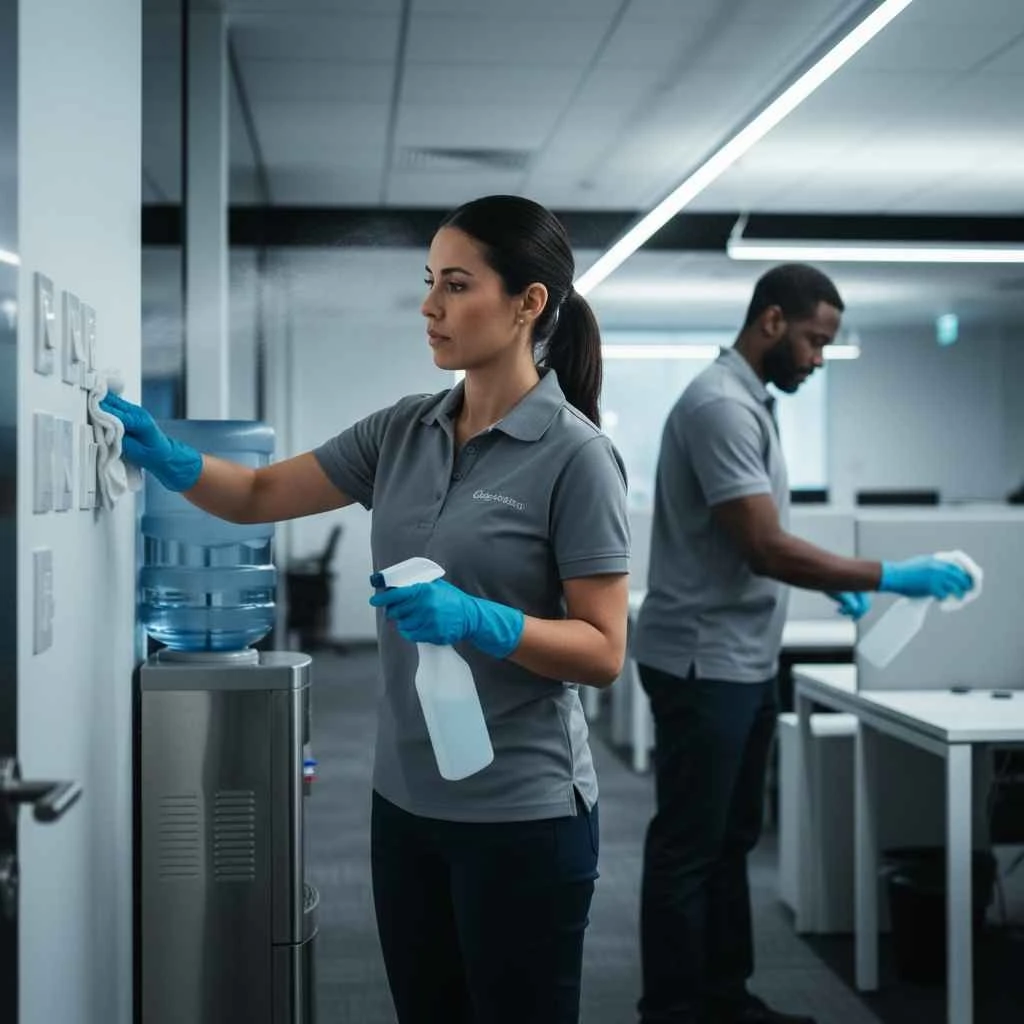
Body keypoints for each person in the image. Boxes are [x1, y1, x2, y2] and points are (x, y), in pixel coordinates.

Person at [104, 196, 630, 1024]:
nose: (430, 307)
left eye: (456, 285)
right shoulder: (404, 430)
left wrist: (480, 619)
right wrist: (168, 458)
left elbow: (603, 650)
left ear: (529, 303)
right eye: (430, 282)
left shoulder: (577, 456)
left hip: (522, 813)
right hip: (405, 802)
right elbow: (257, 492)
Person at [631, 263, 974, 1024]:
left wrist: (827, 581)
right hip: (702, 660)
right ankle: (675, 1012)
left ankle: (725, 1000)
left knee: (731, 840)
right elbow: (761, 546)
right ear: (773, 322)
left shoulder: (751, 401)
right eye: (816, 341)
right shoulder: (720, 406)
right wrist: (890, 574)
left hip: (742, 657)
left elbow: (761, 533)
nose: (820, 360)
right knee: (690, 846)